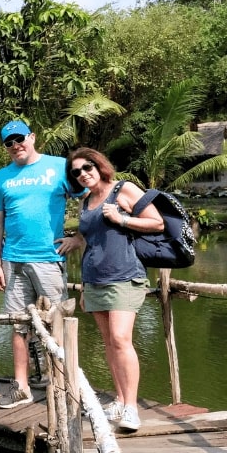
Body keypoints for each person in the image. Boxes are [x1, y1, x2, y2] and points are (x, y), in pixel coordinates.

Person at [56, 148, 164, 432]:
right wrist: (75, 241)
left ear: (99, 165)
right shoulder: (86, 201)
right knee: (109, 342)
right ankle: (118, 398)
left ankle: (131, 408)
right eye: (76, 172)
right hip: (94, 278)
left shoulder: (123, 189)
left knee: (121, 339)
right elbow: (89, 234)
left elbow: (157, 223)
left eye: (87, 167)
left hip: (124, 275)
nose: (82, 174)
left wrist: (122, 219)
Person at [0, 120, 76, 410]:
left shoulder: (59, 166)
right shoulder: (2, 177)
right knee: (18, 325)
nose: (16, 146)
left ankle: (63, 385)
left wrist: (81, 239)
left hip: (49, 259)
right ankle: (22, 387)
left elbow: (92, 197)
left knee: (57, 324)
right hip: (13, 260)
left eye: (20, 139)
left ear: (32, 137)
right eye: (9, 143)